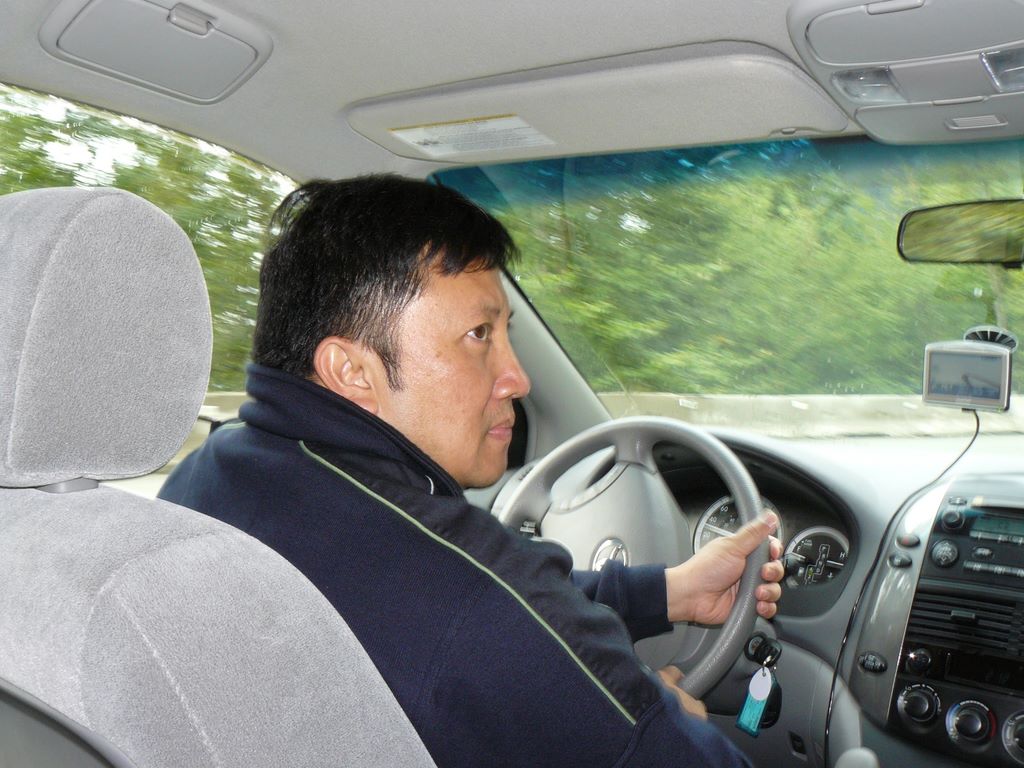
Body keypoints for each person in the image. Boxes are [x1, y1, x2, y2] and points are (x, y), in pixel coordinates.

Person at [159, 174, 784, 766]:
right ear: (352, 372)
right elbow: (495, 616)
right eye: (480, 334)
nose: (518, 378)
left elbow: (493, 618)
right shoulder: (469, 599)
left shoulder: (209, 473)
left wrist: (670, 592)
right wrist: (666, 717)